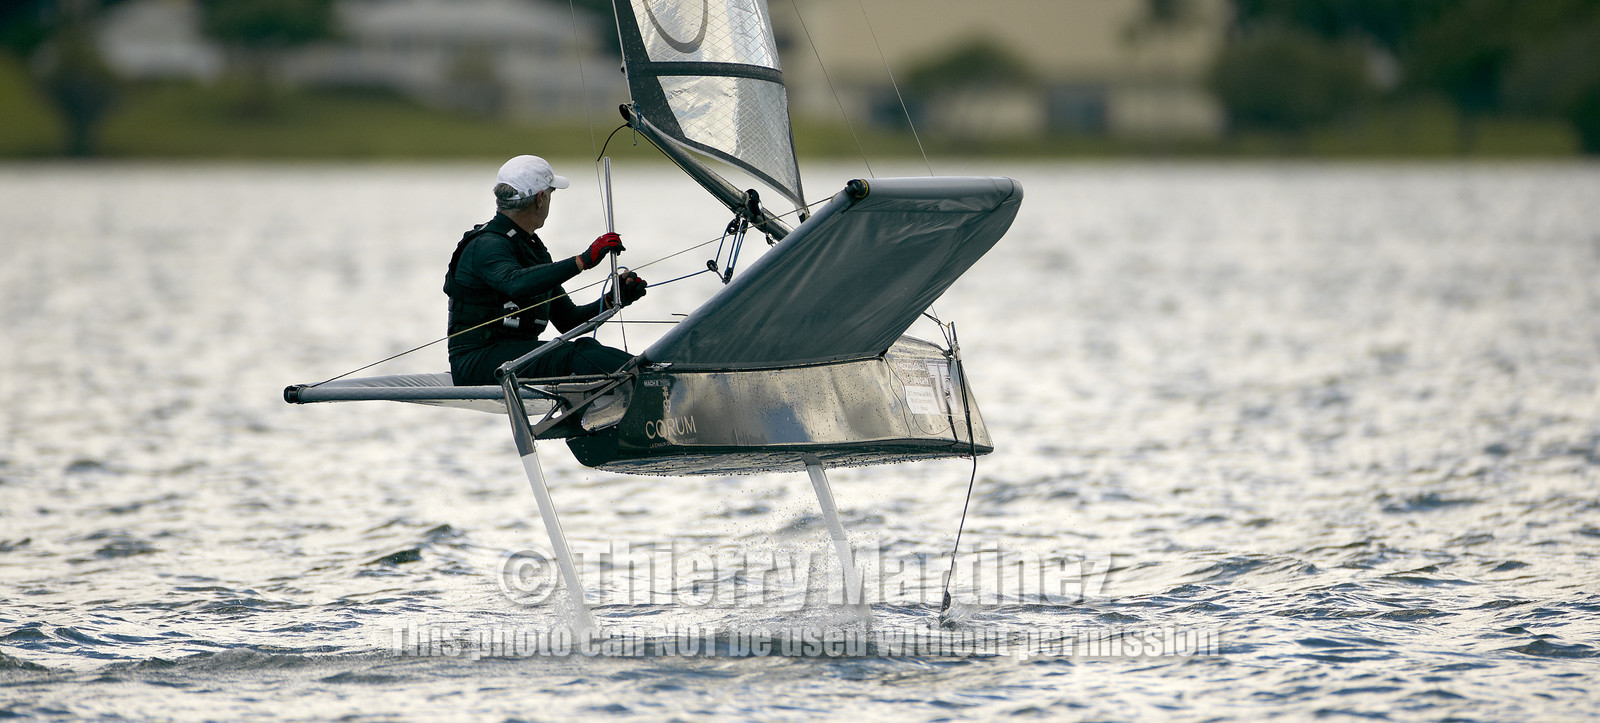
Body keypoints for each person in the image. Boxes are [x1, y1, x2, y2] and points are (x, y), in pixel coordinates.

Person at [445, 155, 647, 386]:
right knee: (577, 354)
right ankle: (652, 379)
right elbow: (514, 283)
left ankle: (652, 375)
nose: (550, 200)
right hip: (475, 363)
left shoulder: (532, 248)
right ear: (541, 199)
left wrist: (613, 299)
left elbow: (569, 321)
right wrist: (582, 261)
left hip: (514, 356)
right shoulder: (487, 244)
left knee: (587, 348)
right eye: (550, 194)